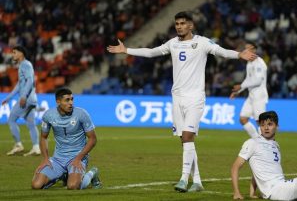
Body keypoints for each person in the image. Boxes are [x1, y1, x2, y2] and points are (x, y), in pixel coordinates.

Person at [107, 11, 257, 192]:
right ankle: (198, 181)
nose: (179, 26)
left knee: (187, 137)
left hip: (195, 98)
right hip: (177, 98)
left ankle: (184, 179)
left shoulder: (202, 42)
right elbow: (151, 52)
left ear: (191, 25)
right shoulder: (172, 44)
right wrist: (126, 50)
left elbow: (222, 52)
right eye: (177, 23)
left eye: (183, 23)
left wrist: (239, 54)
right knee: (185, 141)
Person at [31, 88, 101, 190]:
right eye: (67, 100)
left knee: (72, 186)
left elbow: (93, 139)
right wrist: (45, 159)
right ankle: (62, 175)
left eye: (72, 99)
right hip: (58, 159)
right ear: (58, 101)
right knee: (36, 185)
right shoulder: (49, 115)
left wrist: (78, 159)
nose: (71, 103)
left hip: (77, 157)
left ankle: (92, 173)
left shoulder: (81, 114)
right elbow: (43, 137)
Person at [1, 46, 41, 156]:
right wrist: (9, 98)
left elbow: (30, 81)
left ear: (21, 53)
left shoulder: (25, 64)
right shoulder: (24, 65)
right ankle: (36, 147)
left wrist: (23, 96)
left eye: (14, 52)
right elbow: (19, 85)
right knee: (31, 124)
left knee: (11, 120)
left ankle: (18, 145)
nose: (12, 55)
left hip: (26, 99)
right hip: (32, 99)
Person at [230, 42, 268, 138]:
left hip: (259, 96)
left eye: (249, 49)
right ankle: (257, 139)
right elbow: (248, 79)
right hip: (251, 95)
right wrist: (238, 91)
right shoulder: (249, 63)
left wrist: (241, 85)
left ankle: (266, 143)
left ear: (254, 50)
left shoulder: (259, 63)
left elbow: (258, 81)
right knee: (243, 119)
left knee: (260, 122)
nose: (246, 51)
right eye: (245, 49)